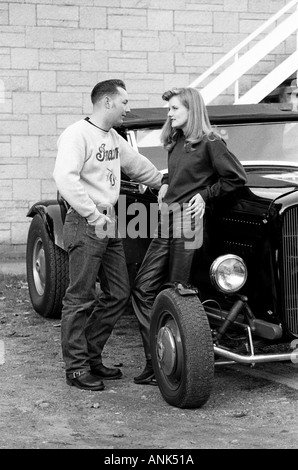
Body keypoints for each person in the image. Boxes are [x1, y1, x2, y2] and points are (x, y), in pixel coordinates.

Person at [131, 87, 247, 385]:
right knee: (144, 289)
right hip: (166, 220)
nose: (169, 113)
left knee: (178, 291)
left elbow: (235, 178)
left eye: (174, 109)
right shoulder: (176, 140)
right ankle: (154, 359)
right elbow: (182, 174)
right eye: (169, 108)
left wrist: (206, 195)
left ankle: (180, 365)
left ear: (191, 111)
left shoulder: (211, 142)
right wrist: (168, 183)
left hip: (188, 223)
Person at [53, 79, 162, 391]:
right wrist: (92, 213)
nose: (128, 108)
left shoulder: (113, 137)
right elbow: (64, 177)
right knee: (80, 297)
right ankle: (76, 369)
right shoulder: (77, 134)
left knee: (118, 292)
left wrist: (160, 182)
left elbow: (135, 164)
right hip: (87, 221)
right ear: (107, 103)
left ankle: (90, 355)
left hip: (109, 221)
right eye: (124, 102)